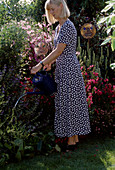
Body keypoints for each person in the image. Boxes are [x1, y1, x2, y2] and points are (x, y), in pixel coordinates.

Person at [31, 0, 91, 151]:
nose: (51, 12)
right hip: (63, 67)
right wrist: (50, 63)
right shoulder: (59, 27)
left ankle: (71, 142)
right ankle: (74, 139)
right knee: (67, 101)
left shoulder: (68, 26)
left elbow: (58, 51)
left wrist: (40, 64)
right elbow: (58, 52)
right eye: (49, 10)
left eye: (53, 9)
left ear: (61, 7)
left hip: (69, 68)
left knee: (69, 102)